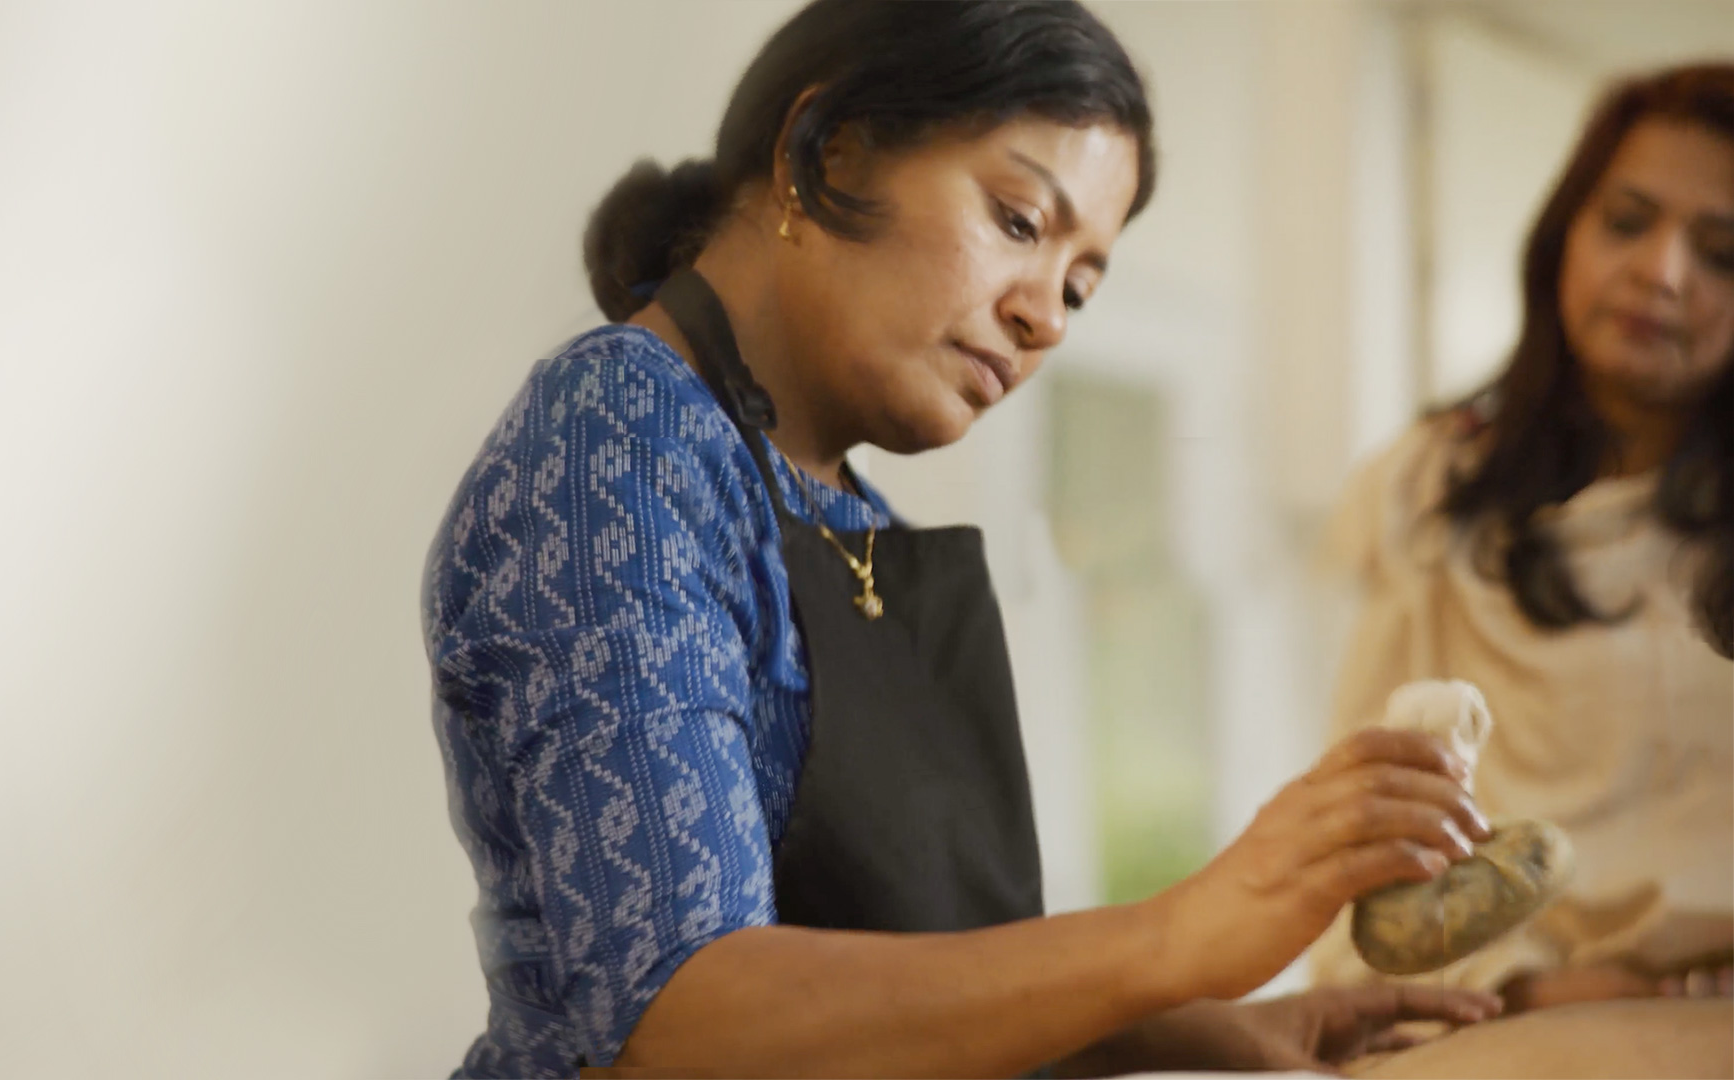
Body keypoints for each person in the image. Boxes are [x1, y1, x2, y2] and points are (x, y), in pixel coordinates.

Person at [423, 3, 1502, 1077]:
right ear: (826, 152)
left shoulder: (855, 522)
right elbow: (683, 1017)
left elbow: (903, 974)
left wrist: (1213, 1025)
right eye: (1021, 222)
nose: (1050, 319)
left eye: (1080, 284)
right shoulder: (621, 433)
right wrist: (1179, 936)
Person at [1310, 63, 1734, 1015]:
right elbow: (1355, 866)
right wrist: (1539, 987)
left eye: (1723, 255)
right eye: (1627, 222)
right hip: (1507, 1013)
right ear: (1561, 239)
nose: (1662, 274)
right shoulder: (1429, 489)